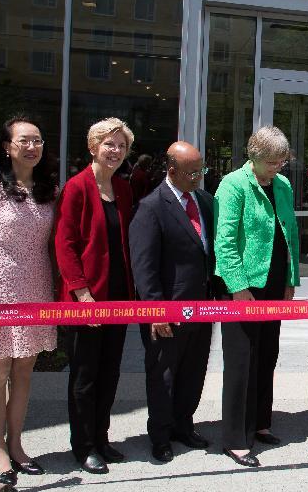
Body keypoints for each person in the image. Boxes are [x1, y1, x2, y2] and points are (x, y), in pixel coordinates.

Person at [0, 117, 57, 486]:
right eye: (24, 140)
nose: (32, 147)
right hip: (0, 288)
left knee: (23, 372)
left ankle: (17, 445)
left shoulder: (49, 190)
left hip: (37, 286)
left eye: (37, 140)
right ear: (7, 146)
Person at [214, 126, 300, 468]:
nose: (279, 167)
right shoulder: (233, 185)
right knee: (241, 360)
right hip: (244, 286)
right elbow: (225, 241)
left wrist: (291, 279)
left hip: (274, 283)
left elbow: (290, 234)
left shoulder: (283, 185)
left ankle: (260, 422)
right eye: (273, 162)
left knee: (267, 355)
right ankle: (236, 438)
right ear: (254, 156)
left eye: (283, 161)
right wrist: (237, 286)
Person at [54, 117, 135, 474]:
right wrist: (83, 294)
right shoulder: (76, 187)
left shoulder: (123, 188)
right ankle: (83, 445)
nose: (115, 151)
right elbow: (65, 244)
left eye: (121, 145)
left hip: (117, 298)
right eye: (109, 144)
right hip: (87, 298)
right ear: (92, 146)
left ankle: (101, 438)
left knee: (110, 370)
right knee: (85, 376)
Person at [129, 142, 215, 464]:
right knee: (163, 374)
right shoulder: (151, 207)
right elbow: (144, 266)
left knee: (194, 370)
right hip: (167, 310)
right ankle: (161, 435)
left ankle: (184, 425)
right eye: (192, 172)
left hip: (202, 307)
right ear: (172, 171)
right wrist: (156, 311)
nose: (198, 177)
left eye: (201, 170)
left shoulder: (204, 201)